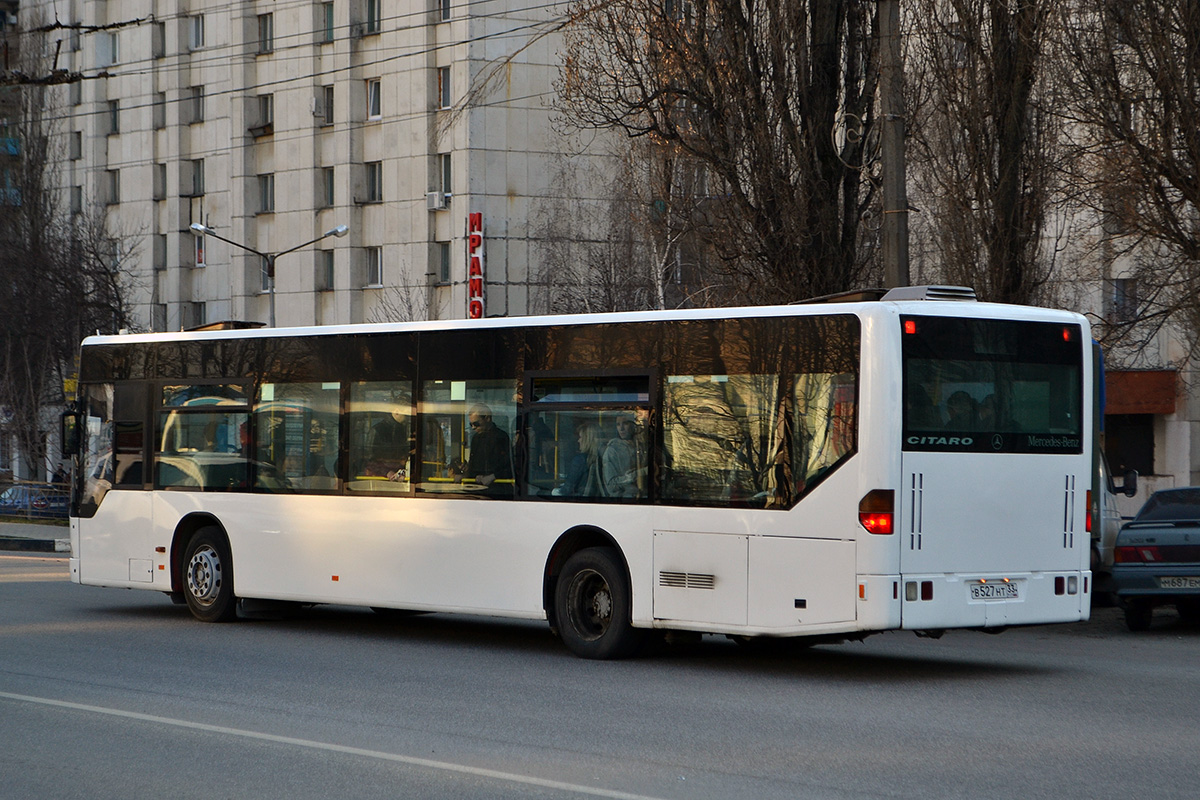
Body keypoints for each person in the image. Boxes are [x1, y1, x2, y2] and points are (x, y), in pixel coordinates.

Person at [459, 403, 512, 488]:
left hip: (498, 489)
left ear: (487, 418)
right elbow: (474, 464)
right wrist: (468, 470)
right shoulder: (476, 438)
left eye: (476, 424)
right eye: (471, 424)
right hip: (478, 487)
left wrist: (494, 476)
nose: (473, 427)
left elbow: (509, 465)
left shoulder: (501, 437)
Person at [553, 422, 604, 498]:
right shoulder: (601, 459)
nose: (578, 441)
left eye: (580, 437)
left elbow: (567, 490)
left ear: (587, 440)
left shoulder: (580, 460)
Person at [364, 402, 410, 481]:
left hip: (400, 477)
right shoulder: (377, 430)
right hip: (379, 480)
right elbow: (368, 459)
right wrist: (387, 472)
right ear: (397, 411)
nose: (409, 416)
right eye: (407, 412)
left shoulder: (404, 430)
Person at [603, 413, 646, 498]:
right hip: (623, 501)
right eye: (618, 425)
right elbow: (611, 485)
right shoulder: (611, 451)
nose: (621, 428)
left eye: (625, 423)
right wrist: (633, 476)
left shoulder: (641, 447)